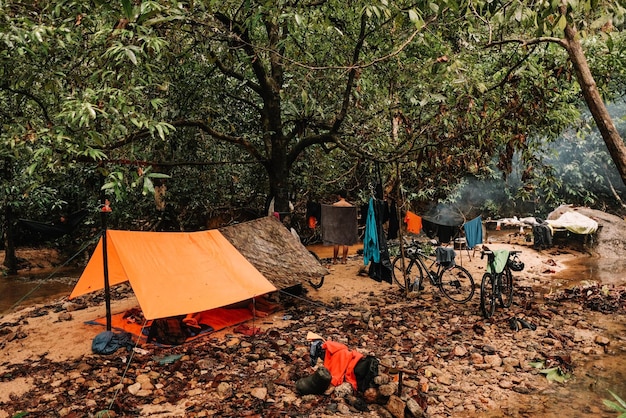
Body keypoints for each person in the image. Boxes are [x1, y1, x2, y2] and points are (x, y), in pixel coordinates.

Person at [332, 190, 354, 264]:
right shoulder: (349, 206)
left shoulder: (335, 205)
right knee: (345, 243)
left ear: (339, 196)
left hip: (338, 224)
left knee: (336, 243)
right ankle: (344, 260)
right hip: (346, 225)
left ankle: (334, 260)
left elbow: (333, 216)